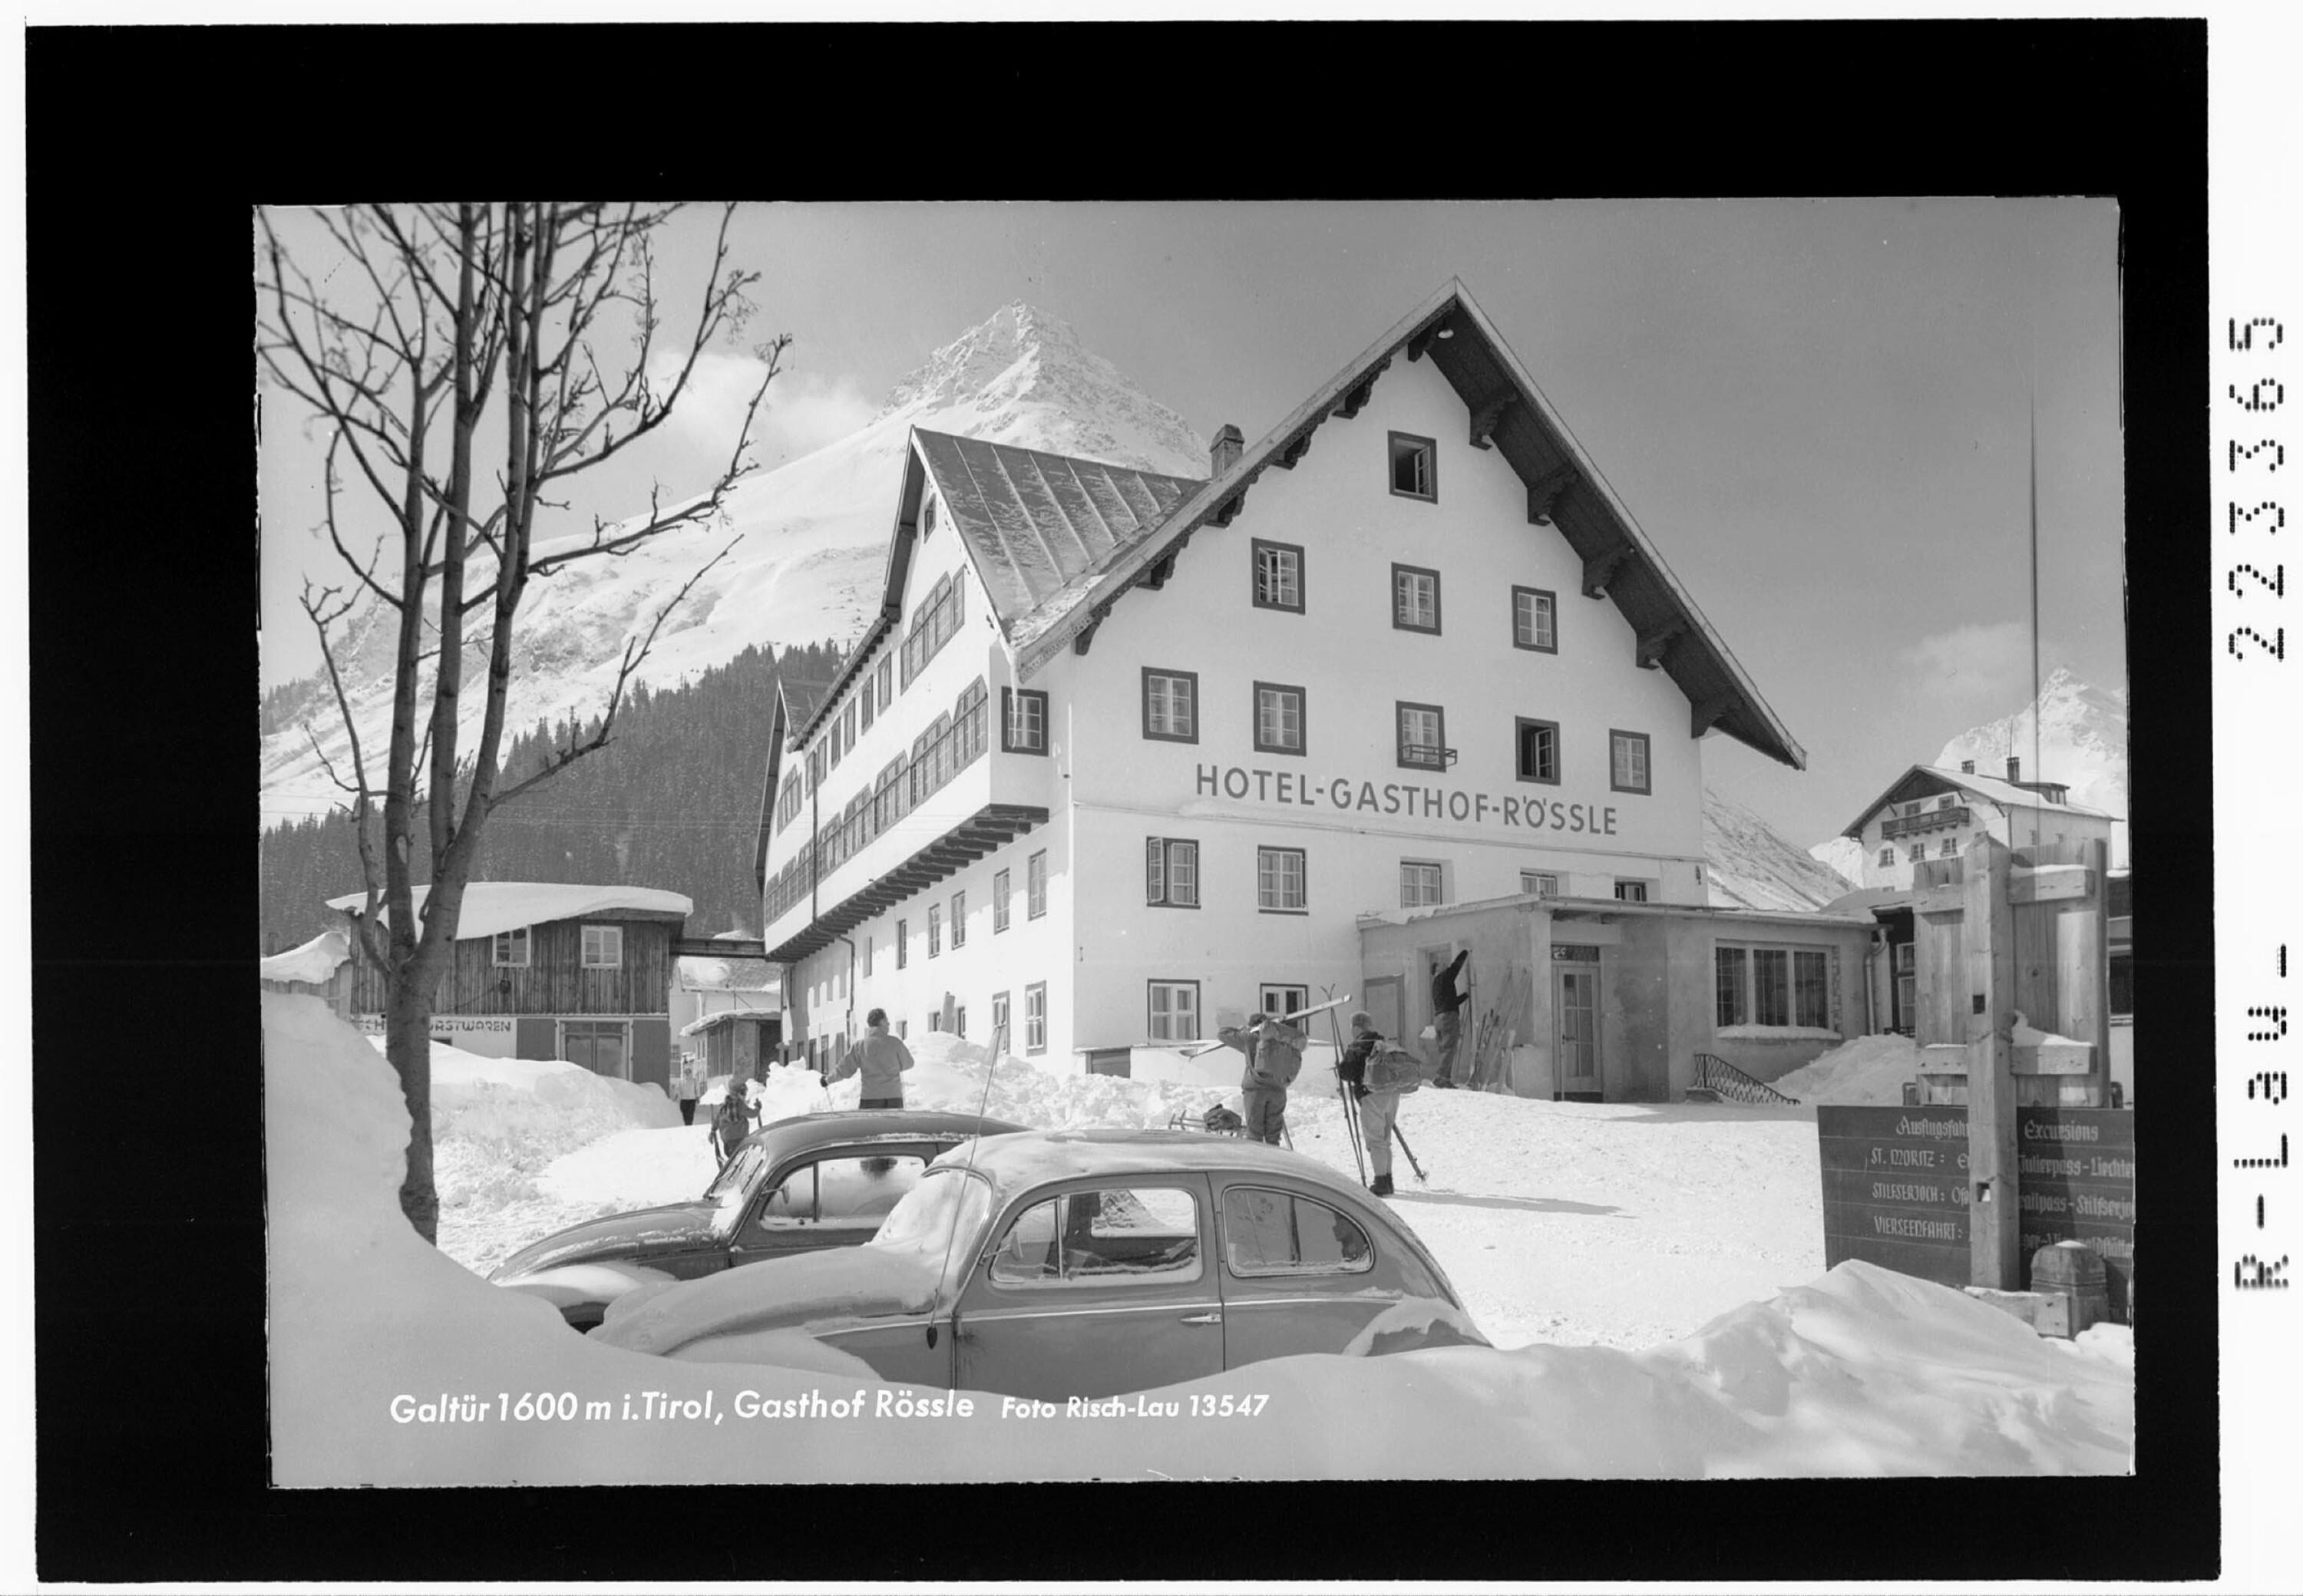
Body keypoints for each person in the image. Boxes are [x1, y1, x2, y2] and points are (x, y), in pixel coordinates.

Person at [1217, 1010, 1308, 1146]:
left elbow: (1222, 1034)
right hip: (1279, 1091)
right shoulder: (1283, 1041)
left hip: (1256, 1091)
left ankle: (1258, 1164)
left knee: (1255, 1135)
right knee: (1273, 1137)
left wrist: (1243, 1030)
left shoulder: (1250, 1039)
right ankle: (1274, 1165)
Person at [1336, 1009, 1402, 1196]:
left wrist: (1340, 1065)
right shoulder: (1382, 1043)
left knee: (1375, 1140)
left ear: (1357, 1027)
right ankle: (1388, 1180)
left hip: (1372, 1095)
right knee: (1385, 1139)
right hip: (1392, 1094)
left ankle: (1381, 1182)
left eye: (1352, 1027)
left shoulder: (1359, 1045)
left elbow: (1346, 1073)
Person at [840, 1008, 915, 1110]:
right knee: (894, 1126)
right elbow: (909, 1063)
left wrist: (827, 1080)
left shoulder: (860, 1046)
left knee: (870, 1126)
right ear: (882, 1022)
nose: (889, 1024)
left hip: (870, 1098)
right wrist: (893, 1066)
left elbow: (845, 1069)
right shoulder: (895, 1043)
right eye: (887, 1021)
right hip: (894, 1098)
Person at [1429, 949, 1469, 1089]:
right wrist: (1464, 953)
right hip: (1448, 1018)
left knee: (1444, 1049)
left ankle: (1443, 1077)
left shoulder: (1436, 984)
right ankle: (1441, 1078)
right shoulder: (1443, 977)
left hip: (1439, 1019)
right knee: (1449, 1048)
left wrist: (1464, 996)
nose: (1445, 965)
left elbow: (1449, 1001)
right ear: (1437, 970)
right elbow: (1455, 968)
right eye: (1441, 964)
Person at [711, 1072, 754, 1166]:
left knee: (734, 1161)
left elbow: (716, 1120)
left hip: (727, 1143)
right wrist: (758, 1109)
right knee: (740, 1162)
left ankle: (733, 1172)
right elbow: (752, 1114)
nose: (745, 1096)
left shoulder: (723, 1107)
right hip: (740, 1141)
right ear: (737, 1094)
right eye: (743, 1093)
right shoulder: (740, 1106)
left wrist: (713, 1131)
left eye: (745, 1093)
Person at [675, 1057, 701, 1126]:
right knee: (684, 1114)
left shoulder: (694, 1080)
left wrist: (698, 1097)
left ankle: (689, 1125)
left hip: (692, 1100)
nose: (687, 1073)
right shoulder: (681, 1081)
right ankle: (686, 1124)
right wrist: (676, 1095)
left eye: (689, 1071)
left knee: (690, 1114)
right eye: (686, 1072)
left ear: (691, 1072)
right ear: (684, 1072)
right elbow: (678, 1088)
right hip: (683, 1100)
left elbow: (697, 1089)